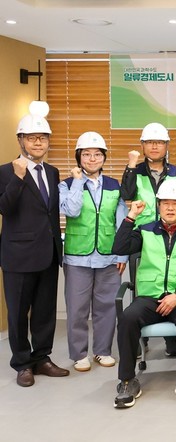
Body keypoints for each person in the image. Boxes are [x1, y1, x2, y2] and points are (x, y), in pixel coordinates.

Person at [112, 180, 176, 408]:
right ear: (158, 206)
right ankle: (127, 380)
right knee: (127, 318)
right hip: (149, 298)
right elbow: (119, 247)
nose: (170, 208)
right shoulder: (145, 230)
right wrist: (131, 217)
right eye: (165, 203)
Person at [0, 114, 69, 387]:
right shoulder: (5, 171)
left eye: (43, 138)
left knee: (44, 311)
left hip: (48, 253)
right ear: (21, 140)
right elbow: (5, 208)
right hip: (18, 255)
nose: (38, 142)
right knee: (18, 313)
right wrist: (18, 178)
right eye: (32, 138)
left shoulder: (52, 172)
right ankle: (22, 364)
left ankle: (42, 358)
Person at [59, 131, 127, 372]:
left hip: (109, 256)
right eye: (86, 154)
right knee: (77, 309)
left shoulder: (114, 185)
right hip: (77, 257)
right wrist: (78, 181)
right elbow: (72, 210)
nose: (92, 159)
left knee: (106, 307)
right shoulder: (67, 184)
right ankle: (79, 354)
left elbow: (121, 221)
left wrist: (122, 254)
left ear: (104, 157)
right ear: (78, 157)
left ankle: (102, 351)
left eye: (97, 154)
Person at [120, 122, 176, 357]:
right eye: (149, 142)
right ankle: (141, 341)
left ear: (167, 145)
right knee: (144, 289)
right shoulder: (135, 171)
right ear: (142, 145)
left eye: (159, 142)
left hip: (171, 235)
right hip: (143, 237)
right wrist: (130, 165)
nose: (154, 146)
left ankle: (171, 341)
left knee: (172, 284)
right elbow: (126, 195)